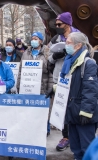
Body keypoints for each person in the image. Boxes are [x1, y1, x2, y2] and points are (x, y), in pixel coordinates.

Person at [60, 32, 98, 160]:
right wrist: (55, 88)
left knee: (87, 149)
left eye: (68, 43)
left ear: (78, 45)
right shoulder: (70, 62)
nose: (66, 45)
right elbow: (69, 85)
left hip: (83, 114)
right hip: (72, 112)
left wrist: (86, 112)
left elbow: (91, 90)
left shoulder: (89, 63)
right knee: (76, 149)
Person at [47, 12, 80, 151]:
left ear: (68, 24)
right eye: (56, 25)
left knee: (75, 108)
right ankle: (66, 137)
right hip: (59, 78)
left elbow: (87, 53)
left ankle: (77, 137)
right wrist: (55, 55)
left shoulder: (79, 36)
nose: (57, 27)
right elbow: (48, 58)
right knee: (62, 108)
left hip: (75, 77)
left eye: (59, 24)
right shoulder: (55, 38)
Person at [16, 32, 53, 136]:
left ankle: (46, 129)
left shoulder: (47, 53)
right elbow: (20, 71)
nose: (33, 41)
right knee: (30, 111)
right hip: (28, 88)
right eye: (32, 38)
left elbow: (51, 72)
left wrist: (50, 88)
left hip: (42, 88)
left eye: (36, 39)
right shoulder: (26, 53)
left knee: (43, 111)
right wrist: (19, 85)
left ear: (41, 41)